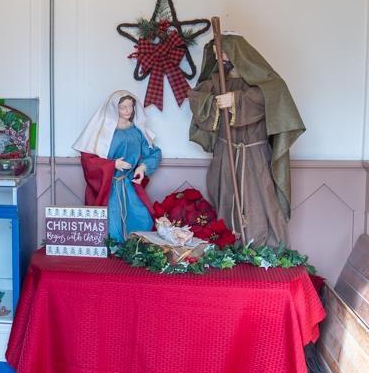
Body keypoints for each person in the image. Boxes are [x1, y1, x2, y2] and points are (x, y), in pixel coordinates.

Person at [188, 34, 304, 248]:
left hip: (254, 154)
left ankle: (261, 246)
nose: (219, 58)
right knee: (225, 194)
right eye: (216, 54)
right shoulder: (217, 80)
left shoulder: (264, 81)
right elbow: (196, 97)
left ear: (237, 53)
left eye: (222, 52)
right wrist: (213, 102)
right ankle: (229, 244)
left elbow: (274, 93)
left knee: (259, 197)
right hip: (225, 151)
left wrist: (235, 99)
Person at [73, 91, 161, 242]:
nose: (128, 110)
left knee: (143, 218)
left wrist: (142, 167)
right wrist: (113, 164)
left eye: (130, 106)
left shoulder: (137, 131)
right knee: (111, 226)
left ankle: (135, 248)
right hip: (108, 187)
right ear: (114, 108)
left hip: (128, 184)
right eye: (123, 107)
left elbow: (153, 153)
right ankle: (114, 250)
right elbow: (88, 160)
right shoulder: (102, 132)